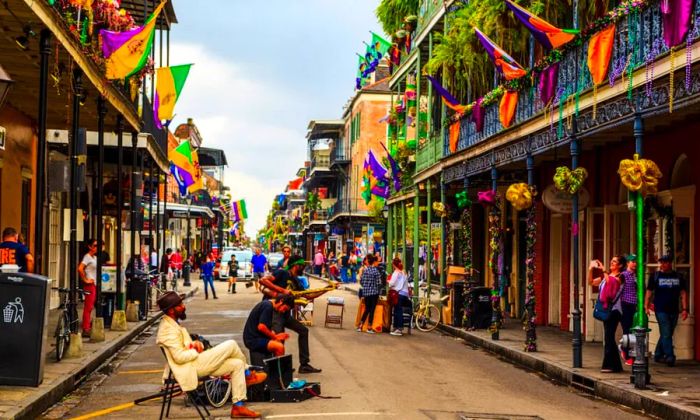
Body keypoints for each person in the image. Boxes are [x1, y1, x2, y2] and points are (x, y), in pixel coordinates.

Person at [155, 291, 264, 418]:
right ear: (172, 310)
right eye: (180, 304)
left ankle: (238, 407)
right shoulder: (167, 330)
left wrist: (194, 344)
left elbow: (183, 348)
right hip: (190, 367)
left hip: (194, 362)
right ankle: (248, 375)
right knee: (231, 344)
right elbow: (179, 358)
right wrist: (195, 350)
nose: (183, 306)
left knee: (237, 364)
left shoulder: (172, 323)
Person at [259, 256, 322, 373]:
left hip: (285, 313)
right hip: (275, 311)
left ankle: (304, 365)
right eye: (302, 265)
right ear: (296, 265)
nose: (303, 268)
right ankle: (278, 369)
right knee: (279, 338)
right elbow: (263, 281)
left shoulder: (296, 280)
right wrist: (281, 290)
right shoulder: (281, 273)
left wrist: (326, 289)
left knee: (303, 330)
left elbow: (307, 295)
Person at [645, 255, 689, 367]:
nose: (662, 265)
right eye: (661, 262)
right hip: (660, 309)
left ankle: (658, 354)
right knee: (666, 333)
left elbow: (683, 293)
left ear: (670, 263)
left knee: (667, 333)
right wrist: (646, 306)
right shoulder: (655, 276)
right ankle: (670, 356)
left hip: (674, 309)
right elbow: (649, 292)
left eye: (665, 262)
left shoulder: (678, 276)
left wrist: (685, 309)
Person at [589, 255, 626, 373]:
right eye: (612, 261)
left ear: (620, 265)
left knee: (609, 337)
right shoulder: (605, 277)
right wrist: (590, 269)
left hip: (614, 311)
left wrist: (604, 269)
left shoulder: (620, 277)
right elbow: (591, 282)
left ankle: (608, 365)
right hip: (606, 309)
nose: (612, 263)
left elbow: (612, 285)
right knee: (609, 337)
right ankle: (616, 366)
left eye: (614, 262)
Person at [619, 254, 638, 365]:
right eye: (632, 261)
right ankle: (626, 354)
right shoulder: (624, 275)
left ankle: (626, 348)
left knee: (633, 330)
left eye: (636, 262)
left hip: (634, 305)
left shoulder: (636, 275)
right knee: (627, 329)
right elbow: (619, 289)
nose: (634, 264)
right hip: (625, 304)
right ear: (627, 263)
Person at [77, 239, 98, 336]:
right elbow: (80, 268)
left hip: (94, 284)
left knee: (90, 306)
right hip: (89, 285)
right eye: (95, 245)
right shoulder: (87, 257)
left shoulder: (94, 258)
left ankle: (87, 325)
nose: (96, 247)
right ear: (90, 246)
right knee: (88, 307)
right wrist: (85, 279)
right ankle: (86, 328)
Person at [358, 254, 382, 334]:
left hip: (366, 293)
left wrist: (366, 286)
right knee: (372, 310)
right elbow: (379, 283)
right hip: (374, 293)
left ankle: (360, 325)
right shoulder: (376, 271)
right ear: (373, 262)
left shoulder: (365, 271)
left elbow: (361, 282)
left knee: (367, 309)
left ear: (368, 261)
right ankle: (369, 327)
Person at [388, 257, 410, 336]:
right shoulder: (403, 272)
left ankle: (399, 329)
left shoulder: (396, 273)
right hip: (404, 294)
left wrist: (388, 281)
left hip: (399, 294)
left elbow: (392, 284)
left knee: (397, 310)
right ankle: (397, 327)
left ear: (394, 265)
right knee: (398, 310)